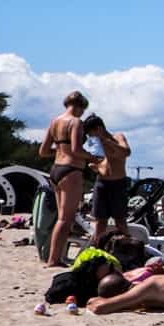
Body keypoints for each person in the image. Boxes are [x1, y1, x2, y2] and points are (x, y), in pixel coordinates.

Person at [39, 91, 92, 267]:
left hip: (56, 169)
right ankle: (54, 259)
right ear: (81, 106)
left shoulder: (55, 121)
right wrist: (93, 157)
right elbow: (77, 150)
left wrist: (61, 149)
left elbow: (43, 151)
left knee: (61, 218)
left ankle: (53, 257)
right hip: (71, 170)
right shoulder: (75, 122)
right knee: (65, 219)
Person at [83, 114, 133, 246]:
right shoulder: (95, 144)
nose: (91, 137)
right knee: (100, 223)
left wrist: (105, 141)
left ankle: (127, 250)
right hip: (102, 183)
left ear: (98, 128)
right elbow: (105, 164)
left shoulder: (117, 137)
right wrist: (97, 168)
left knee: (120, 222)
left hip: (118, 183)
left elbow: (126, 152)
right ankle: (97, 251)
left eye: (91, 133)